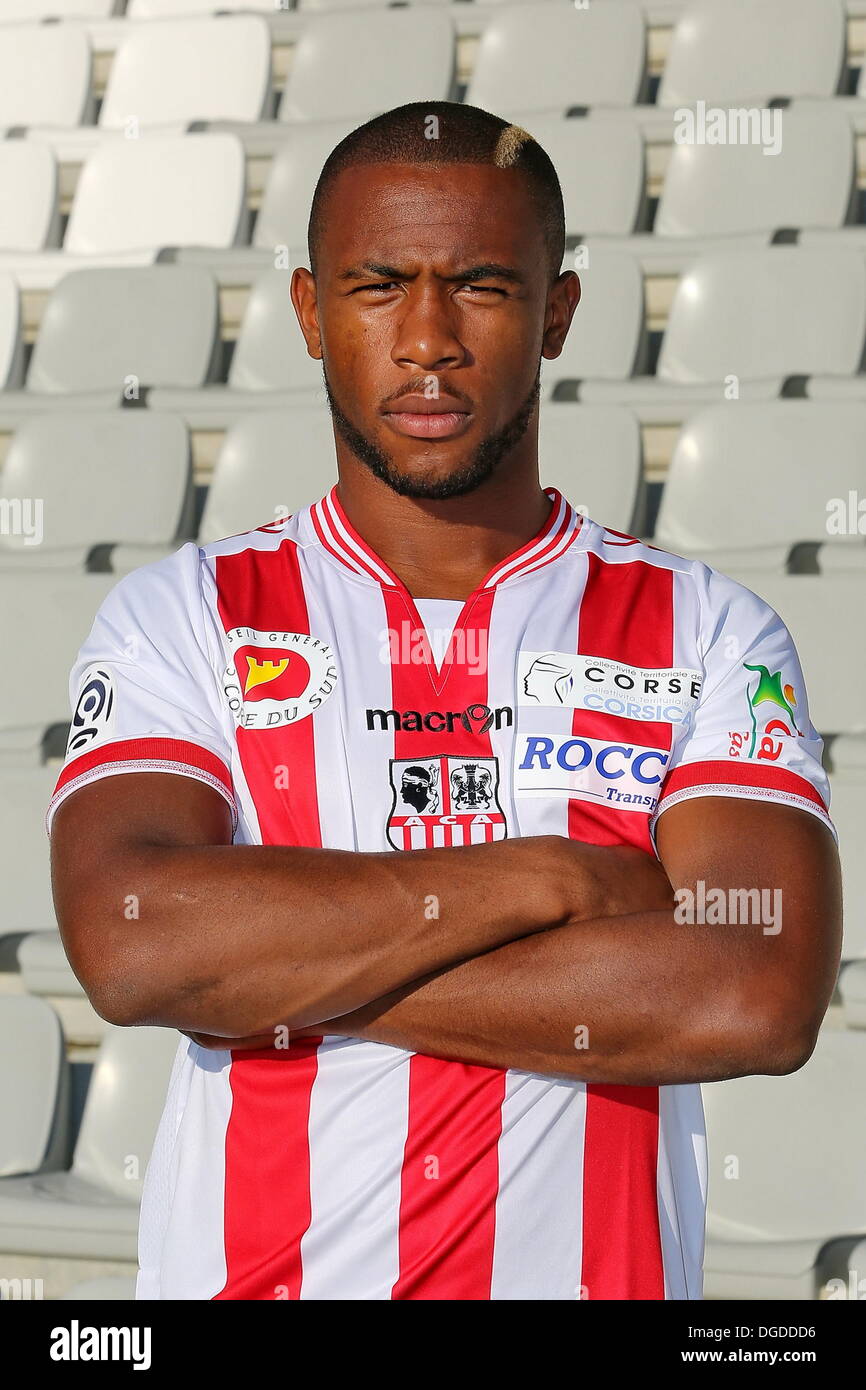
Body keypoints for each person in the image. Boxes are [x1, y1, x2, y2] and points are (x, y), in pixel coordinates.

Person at [48, 102, 841, 1301]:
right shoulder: (184, 617)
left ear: (556, 313)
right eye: (378, 286)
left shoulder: (709, 630)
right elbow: (133, 939)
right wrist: (549, 881)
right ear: (311, 314)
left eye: (479, 285)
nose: (427, 338)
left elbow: (752, 986)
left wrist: (276, 968)